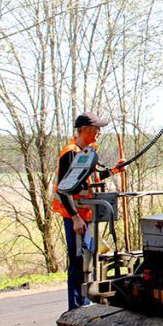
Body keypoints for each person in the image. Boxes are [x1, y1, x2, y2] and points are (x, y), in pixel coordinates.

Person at [53, 112, 124, 311]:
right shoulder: (71, 152)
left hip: (88, 215)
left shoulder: (87, 152)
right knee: (78, 262)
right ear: (84, 130)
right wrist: (75, 217)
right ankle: (75, 308)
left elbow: (89, 178)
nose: (100, 132)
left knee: (89, 259)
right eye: (96, 128)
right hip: (76, 216)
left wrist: (114, 170)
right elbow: (64, 187)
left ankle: (86, 304)